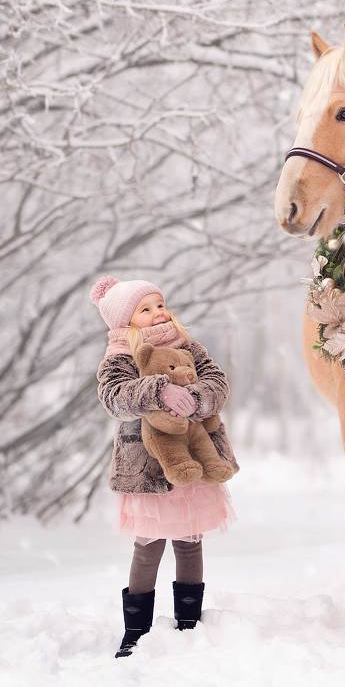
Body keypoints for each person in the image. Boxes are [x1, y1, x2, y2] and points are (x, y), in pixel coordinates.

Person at [90, 275, 238, 657]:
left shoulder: (186, 345)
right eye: (145, 309)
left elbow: (217, 380)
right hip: (147, 465)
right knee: (149, 545)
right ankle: (135, 632)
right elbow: (114, 398)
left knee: (190, 542)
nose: (157, 313)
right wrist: (157, 390)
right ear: (127, 320)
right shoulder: (120, 354)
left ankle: (188, 624)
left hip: (194, 456)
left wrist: (197, 397)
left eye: (159, 304)